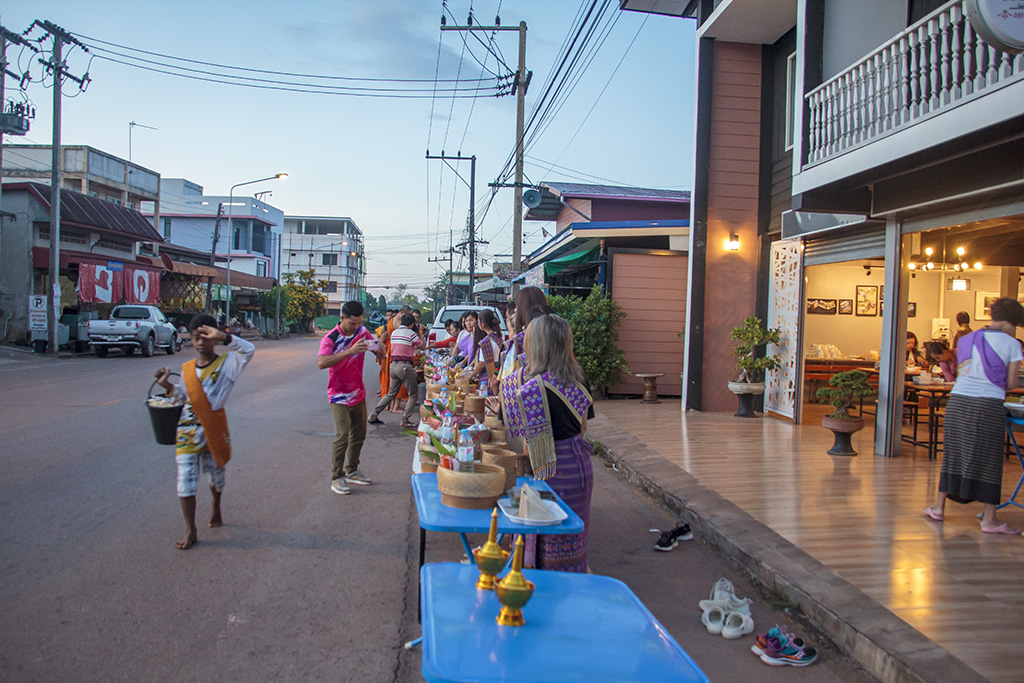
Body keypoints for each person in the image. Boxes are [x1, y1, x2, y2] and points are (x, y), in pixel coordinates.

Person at [153, 314, 255, 549]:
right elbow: (188, 398)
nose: (201, 342)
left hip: (213, 428)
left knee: (216, 476)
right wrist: (167, 386)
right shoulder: (187, 369)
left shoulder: (228, 364)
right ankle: (191, 529)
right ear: (190, 338)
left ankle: (216, 504)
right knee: (185, 480)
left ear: (214, 338)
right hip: (187, 430)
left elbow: (248, 350)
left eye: (206, 336)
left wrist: (224, 337)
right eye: (196, 337)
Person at [924, 298, 1024, 534]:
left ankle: (938, 508)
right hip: (988, 404)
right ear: (1011, 321)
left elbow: (963, 371)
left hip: (958, 401)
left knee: (954, 453)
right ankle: (989, 520)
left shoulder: (968, 339)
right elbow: (1010, 382)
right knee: (990, 459)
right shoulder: (1012, 344)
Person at [511, 313, 595, 572]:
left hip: (549, 472)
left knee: (543, 545)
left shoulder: (531, 390)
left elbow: (528, 450)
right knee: (573, 542)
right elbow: (582, 429)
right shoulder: (579, 380)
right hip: (579, 467)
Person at [318, 301, 380, 495]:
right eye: (352, 323)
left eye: (359, 322)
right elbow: (322, 362)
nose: (356, 327)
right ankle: (337, 477)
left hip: (357, 392)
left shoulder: (362, 332)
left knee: (359, 434)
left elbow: (377, 349)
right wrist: (350, 351)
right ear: (342, 318)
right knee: (342, 435)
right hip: (338, 395)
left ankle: (352, 470)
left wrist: (381, 350)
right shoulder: (331, 338)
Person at [368, 312, 424, 427]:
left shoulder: (394, 333)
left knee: (390, 394)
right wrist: (421, 333)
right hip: (405, 366)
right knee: (413, 394)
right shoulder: (411, 333)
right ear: (412, 324)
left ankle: (373, 414)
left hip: (393, 366)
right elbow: (423, 346)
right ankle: (405, 420)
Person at [378, 305, 412, 410]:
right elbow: (384, 337)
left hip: (391, 352)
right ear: (402, 313)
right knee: (396, 381)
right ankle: (394, 406)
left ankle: (390, 405)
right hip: (394, 352)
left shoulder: (392, 321)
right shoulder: (397, 322)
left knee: (390, 380)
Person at [463, 309, 503, 393]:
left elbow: (482, 364)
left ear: (482, 324)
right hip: (498, 374)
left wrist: (470, 376)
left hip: (488, 377)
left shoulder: (486, 342)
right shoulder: (497, 337)